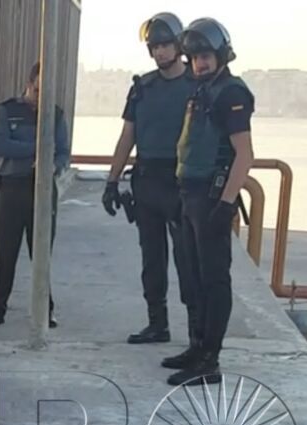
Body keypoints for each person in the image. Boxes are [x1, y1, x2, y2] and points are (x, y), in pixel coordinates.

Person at [167, 18, 254, 386]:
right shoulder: (202, 90)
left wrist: (226, 204)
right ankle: (196, 346)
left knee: (213, 279)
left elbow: (244, 155)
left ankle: (209, 360)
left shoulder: (231, 93)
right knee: (192, 276)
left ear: (220, 55)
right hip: (190, 195)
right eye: (194, 57)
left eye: (205, 56)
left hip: (211, 198)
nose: (198, 63)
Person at [102, 13, 194, 347]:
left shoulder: (197, 85)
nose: (160, 52)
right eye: (154, 46)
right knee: (152, 260)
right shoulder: (142, 87)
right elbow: (127, 136)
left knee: (188, 260)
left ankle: (197, 332)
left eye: (165, 45)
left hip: (182, 184)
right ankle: (157, 324)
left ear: (179, 45)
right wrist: (112, 181)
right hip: (147, 182)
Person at [0, 61, 71, 329]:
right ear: (30, 83)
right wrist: (40, 148)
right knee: (5, 253)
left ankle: (45, 310)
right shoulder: (8, 110)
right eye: (38, 89)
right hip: (12, 187)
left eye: (47, 91)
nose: (41, 96)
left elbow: (63, 152)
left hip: (42, 188)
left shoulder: (55, 115)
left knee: (41, 253)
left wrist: (53, 164)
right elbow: (0, 145)